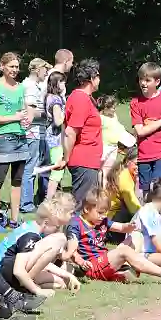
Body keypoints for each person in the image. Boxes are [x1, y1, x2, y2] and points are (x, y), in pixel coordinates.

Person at [69, 188, 161, 284]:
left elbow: (120, 227)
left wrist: (130, 227)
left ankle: (128, 266)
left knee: (136, 236)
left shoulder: (102, 220)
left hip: (104, 260)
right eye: (100, 213)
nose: (103, 216)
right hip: (92, 266)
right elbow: (72, 249)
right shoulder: (76, 224)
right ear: (86, 209)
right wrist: (81, 262)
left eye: (105, 213)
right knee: (124, 251)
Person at [0, 199, 78, 297]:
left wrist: (69, 275)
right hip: (6, 273)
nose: (57, 230)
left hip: (5, 274)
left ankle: (27, 284)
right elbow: (18, 270)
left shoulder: (31, 227)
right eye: (56, 227)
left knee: (60, 283)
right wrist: (37, 291)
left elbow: (41, 262)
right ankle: (26, 286)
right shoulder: (30, 236)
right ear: (46, 223)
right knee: (59, 239)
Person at [0, 53, 30, 228]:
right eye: (11, 66)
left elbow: (23, 111)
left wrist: (25, 119)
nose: (15, 70)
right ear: (2, 66)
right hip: (4, 138)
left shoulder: (20, 88)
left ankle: (14, 219)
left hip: (21, 137)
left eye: (17, 67)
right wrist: (14, 117)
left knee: (17, 181)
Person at [59, 59, 103, 209]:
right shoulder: (80, 99)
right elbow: (70, 131)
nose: (99, 79)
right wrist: (65, 158)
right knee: (82, 205)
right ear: (91, 78)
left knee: (89, 205)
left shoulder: (87, 99)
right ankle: (71, 232)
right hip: (84, 160)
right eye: (97, 76)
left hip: (90, 160)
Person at [131, 62, 161, 194]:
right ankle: (149, 214)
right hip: (144, 154)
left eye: (147, 80)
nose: (143, 83)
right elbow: (140, 131)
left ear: (157, 81)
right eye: (141, 79)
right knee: (146, 192)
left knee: (159, 188)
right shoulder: (136, 103)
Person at [20, 57, 51, 214]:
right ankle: (26, 203)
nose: (46, 73)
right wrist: (49, 113)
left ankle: (32, 199)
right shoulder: (30, 87)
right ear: (37, 69)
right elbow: (29, 112)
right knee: (30, 167)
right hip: (32, 132)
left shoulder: (35, 86)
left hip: (39, 131)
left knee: (38, 166)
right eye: (45, 70)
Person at [103, 147, 143, 242]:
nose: (139, 167)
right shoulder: (125, 177)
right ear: (128, 161)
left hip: (112, 221)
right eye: (137, 164)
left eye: (142, 164)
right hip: (112, 222)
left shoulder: (127, 173)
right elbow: (133, 206)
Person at [98, 94, 136, 181]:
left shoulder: (114, 116)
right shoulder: (100, 118)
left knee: (108, 169)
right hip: (104, 147)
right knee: (101, 170)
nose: (115, 109)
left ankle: (106, 189)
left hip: (114, 146)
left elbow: (118, 127)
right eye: (113, 108)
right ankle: (100, 188)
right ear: (105, 108)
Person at [43, 71, 67, 202]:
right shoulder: (56, 100)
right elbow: (58, 121)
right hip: (56, 140)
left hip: (51, 139)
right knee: (57, 172)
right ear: (57, 83)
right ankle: (49, 201)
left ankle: (53, 199)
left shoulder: (49, 97)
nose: (65, 84)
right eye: (63, 82)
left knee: (56, 172)